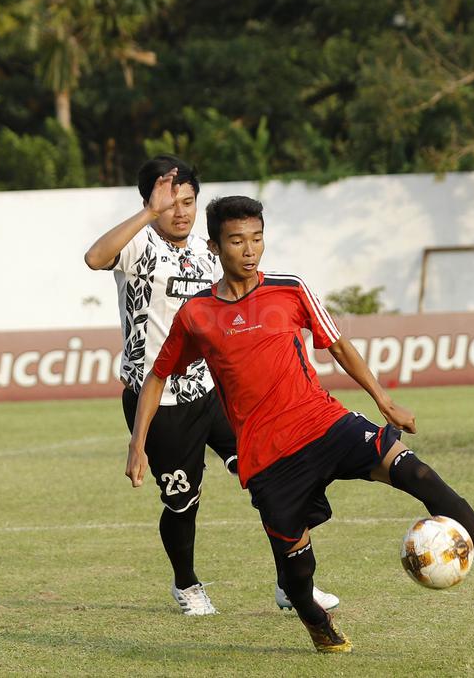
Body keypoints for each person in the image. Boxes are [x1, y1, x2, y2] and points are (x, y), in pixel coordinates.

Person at [127, 195, 474, 652]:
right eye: (237, 241)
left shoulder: (290, 289)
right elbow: (158, 375)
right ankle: (316, 620)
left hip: (325, 423)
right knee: (296, 574)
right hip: (269, 457)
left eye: (257, 238)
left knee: (420, 475)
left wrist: (384, 402)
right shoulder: (197, 314)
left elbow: (338, 345)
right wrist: (139, 444)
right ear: (215, 247)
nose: (250, 249)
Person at [85, 155, 338, 616]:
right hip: (159, 400)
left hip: (217, 395)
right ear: (149, 203)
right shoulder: (138, 245)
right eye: (168, 203)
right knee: (183, 503)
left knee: (274, 479)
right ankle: (186, 584)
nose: (179, 211)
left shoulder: (211, 250)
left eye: (188, 201)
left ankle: (292, 585)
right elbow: (94, 258)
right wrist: (148, 213)